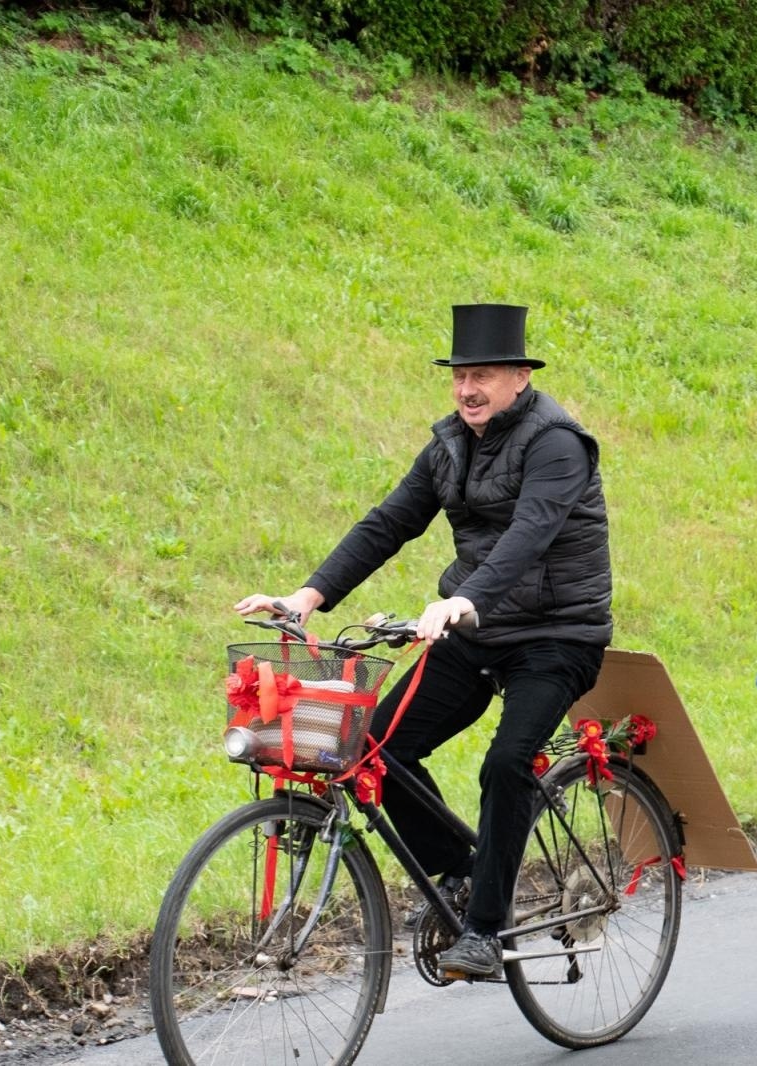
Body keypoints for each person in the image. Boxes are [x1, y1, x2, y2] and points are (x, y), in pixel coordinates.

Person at [235, 303, 612, 979]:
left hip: (559, 635)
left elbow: (531, 535)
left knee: (506, 763)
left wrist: (465, 598)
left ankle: (486, 933)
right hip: (478, 630)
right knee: (376, 747)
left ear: (521, 377)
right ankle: (464, 871)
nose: (468, 388)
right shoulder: (450, 445)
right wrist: (307, 597)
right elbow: (388, 524)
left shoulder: (558, 443)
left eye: (485, 375)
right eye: (460, 374)